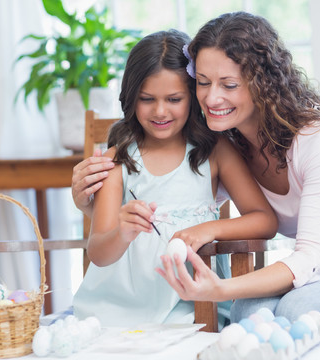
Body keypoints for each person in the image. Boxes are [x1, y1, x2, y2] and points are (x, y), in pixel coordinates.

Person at [72, 13, 320, 336]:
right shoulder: (231, 141)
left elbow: (309, 258)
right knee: (248, 312)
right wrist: (90, 206)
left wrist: (219, 289)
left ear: (264, 82)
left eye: (229, 85)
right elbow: (175, 206)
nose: (212, 98)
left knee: (294, 312)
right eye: (202, 82)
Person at [72, 28, 278, 327]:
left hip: (192, 311)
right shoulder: (118, 159)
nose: (159, 110)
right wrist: (122, 232)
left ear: (193, 97)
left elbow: (265, 220)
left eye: (173, 98)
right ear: (131, 98)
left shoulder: (215, 151)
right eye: (146, 99)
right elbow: (99, 253)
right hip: (113, 313)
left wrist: (209, 229)